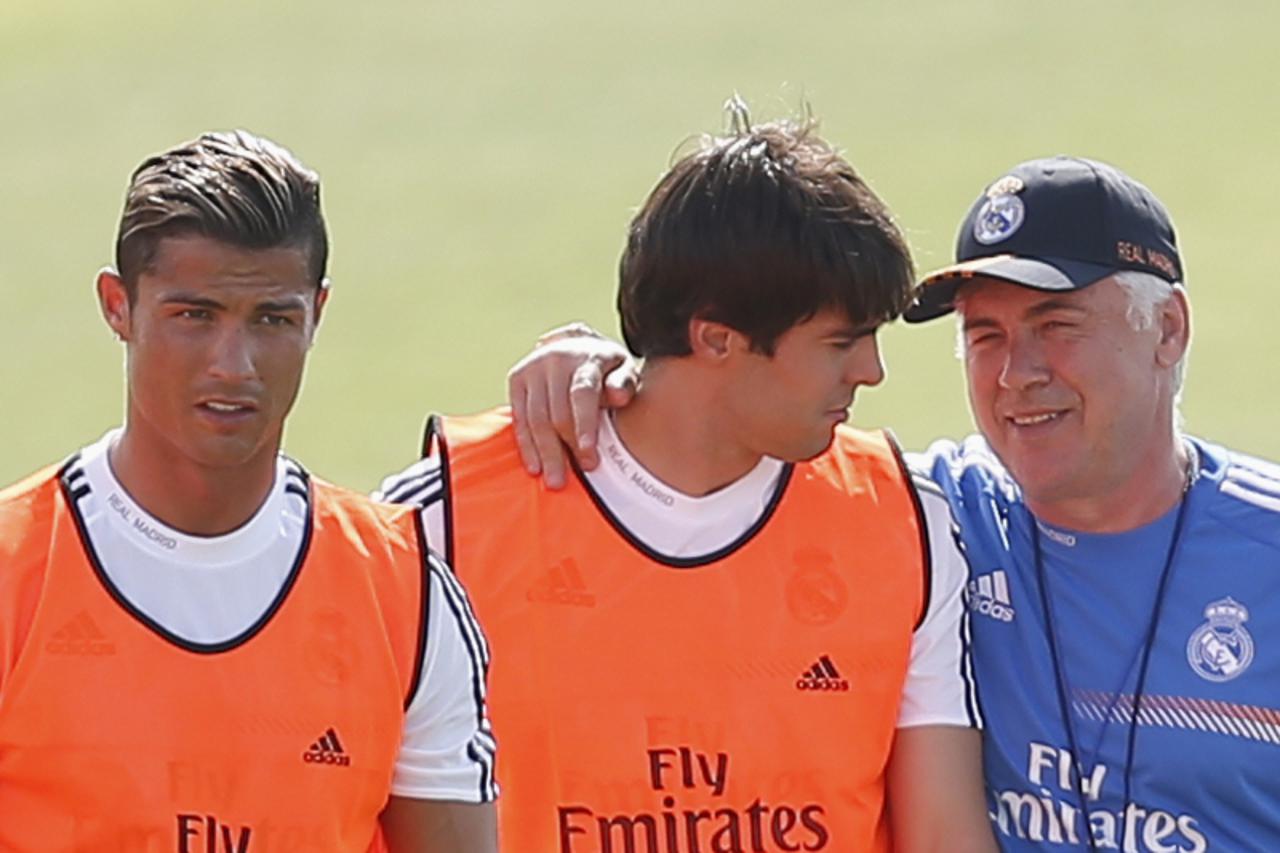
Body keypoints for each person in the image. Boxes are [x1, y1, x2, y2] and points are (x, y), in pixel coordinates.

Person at [508, 154, 1280, 851]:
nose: (1017, 373)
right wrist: (599, 370)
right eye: (985, 336)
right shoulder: (924, 522)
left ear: (1168, 329)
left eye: (1057, 326)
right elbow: (712, 430)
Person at [379, 104, 995, 852]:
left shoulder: (904, 521)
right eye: (841, 342)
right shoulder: (439, 526)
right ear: (716, 337)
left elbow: (943, 838)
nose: (871, 371)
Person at [0, 131, 497, 852]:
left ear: (317, 314)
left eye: (273, 319)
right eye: (194, 314)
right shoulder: (16, 570)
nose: (233, 365)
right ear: (118, 306)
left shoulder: (404, 595)